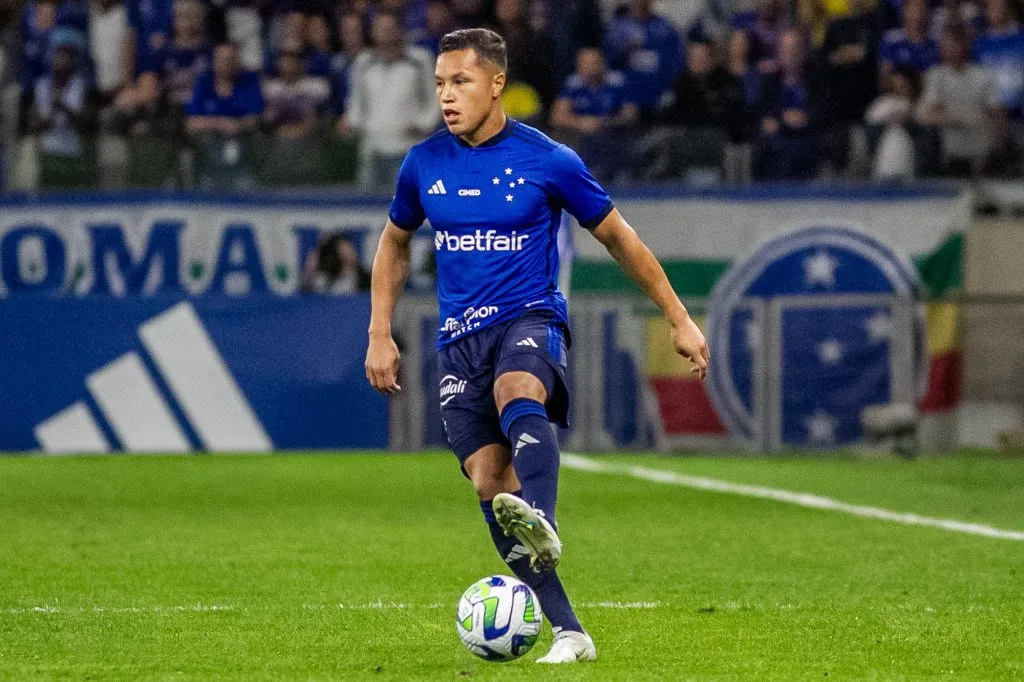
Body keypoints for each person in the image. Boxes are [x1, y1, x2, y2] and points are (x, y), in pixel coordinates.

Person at [364, 28, 708, 664]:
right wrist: (380, 332)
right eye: (439, 84)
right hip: (459, 341)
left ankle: (541, 515)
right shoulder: (423, 164)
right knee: (489, 480)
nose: (446, 96)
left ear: (497, 84)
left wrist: (678, 318)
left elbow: (620, 237)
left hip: (530, 317)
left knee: (517, 388)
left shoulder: (549, 160)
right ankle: (570, 632)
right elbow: (394, 241)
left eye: (460, 82)